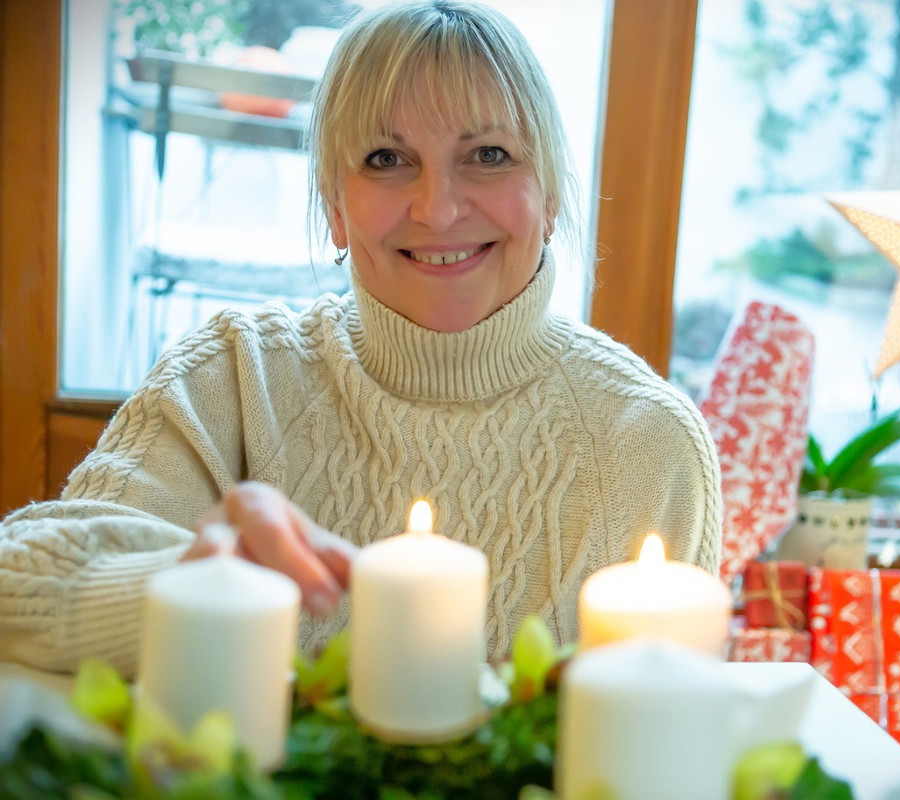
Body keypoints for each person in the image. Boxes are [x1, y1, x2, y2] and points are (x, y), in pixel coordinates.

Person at [0, 0, 722, 676]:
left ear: (553, 193)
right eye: (385, 158)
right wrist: (177, 585)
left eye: (490, 154)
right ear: (333, 207)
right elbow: (15, 580)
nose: (437, 209)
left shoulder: (650, 444)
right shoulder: (233, 374)